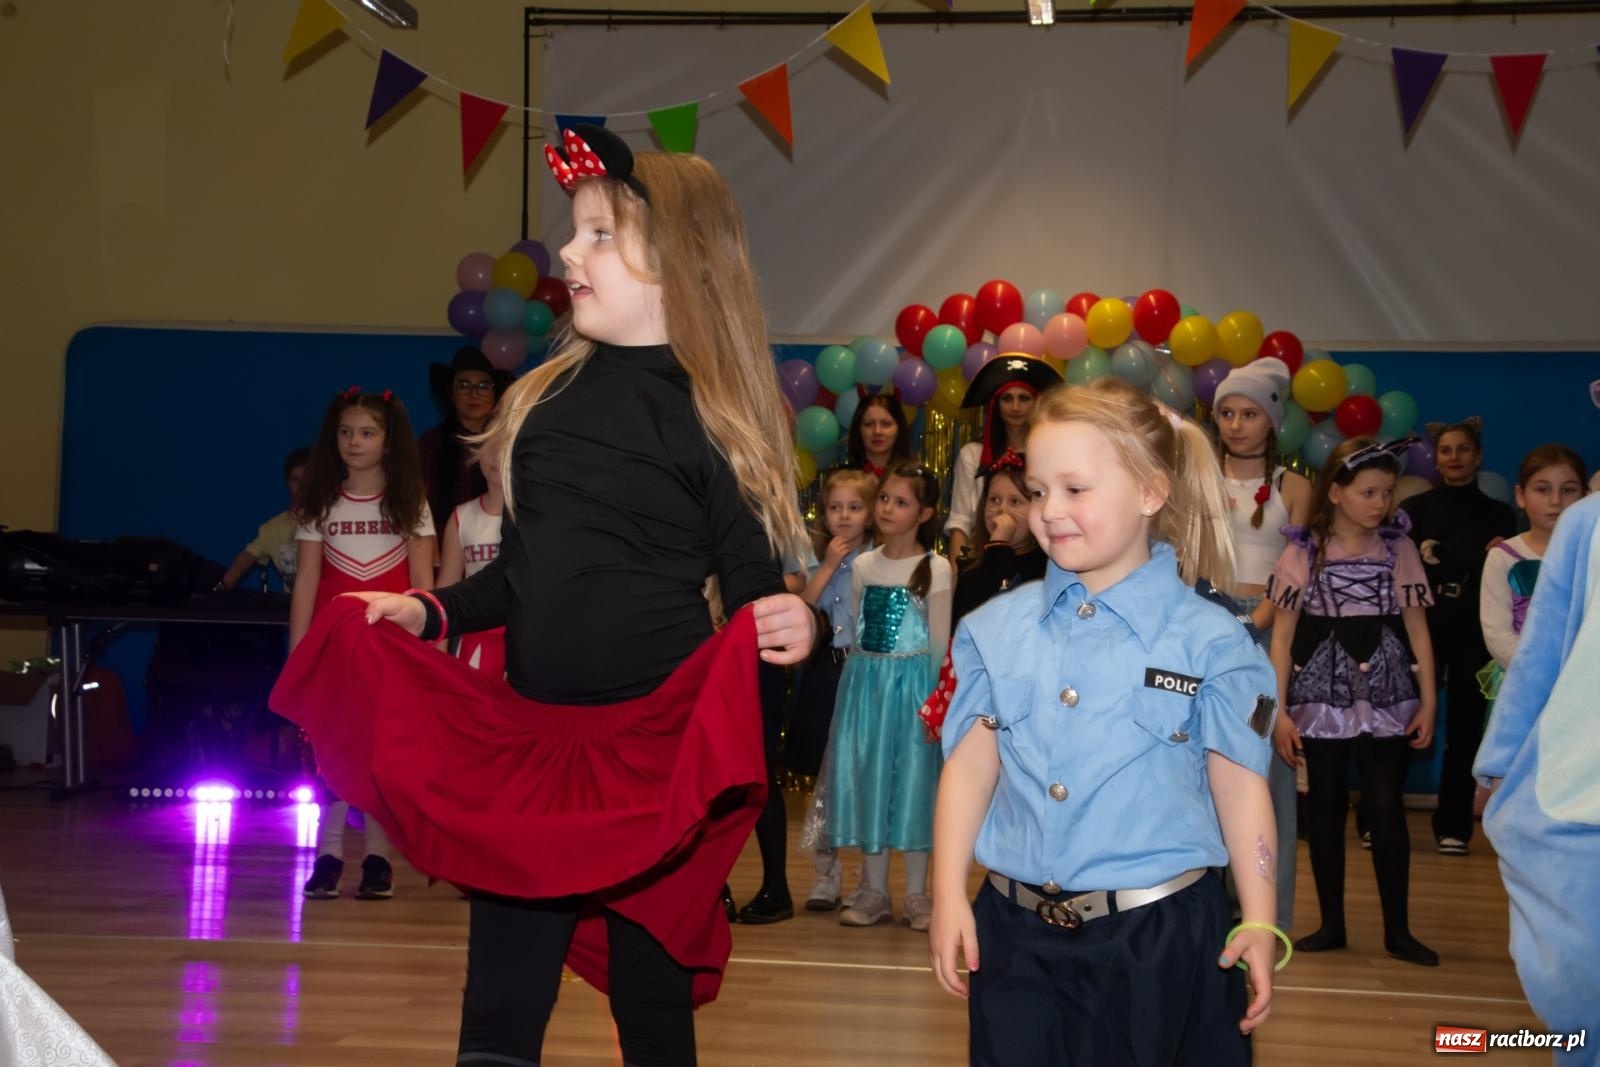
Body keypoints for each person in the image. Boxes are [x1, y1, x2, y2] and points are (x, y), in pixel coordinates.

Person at [270, 125, 818, 1066]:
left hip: (652, 760)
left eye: (599, 234)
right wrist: (427, 611)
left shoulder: (718, 418)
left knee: (651, 1005)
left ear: (679, 258)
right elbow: (523, 578)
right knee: (498, 1006)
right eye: (576, 231)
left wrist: (793, 618)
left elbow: (758, 587)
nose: (569, 252)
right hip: (534, 747)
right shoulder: (543, 405)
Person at [931, 378, 1281, 1065]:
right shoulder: (993, 630)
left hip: (1159, 944)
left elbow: (1241, 787)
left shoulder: (1212, 641)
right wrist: (948, 894)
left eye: (1075, 489)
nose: (1049, 511)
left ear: (1150, 493)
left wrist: (1263, 917)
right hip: (1015, 938)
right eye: (1037, 490)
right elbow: (970, 765)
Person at [1268, 436, 1439, 965]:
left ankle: (1399, 931)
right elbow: (1281, 637)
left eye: (1387, 493)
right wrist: (1278, 713)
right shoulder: (1305, 549)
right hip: (1323, 688)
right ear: (1336, 492)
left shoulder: (1399, 548)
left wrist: (1428, 701)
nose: (1380, 503)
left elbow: (1417, 629)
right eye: (1368, 492)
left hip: (1388, 687)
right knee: (1324, 806)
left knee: (1386, 806)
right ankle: (1332, 923)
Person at [291, 389, 435, 901]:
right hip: (333, 648)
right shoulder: (320, 500)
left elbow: (423, 584)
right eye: (346, 432)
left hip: (390, 649)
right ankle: (327, 856)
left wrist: (430, 655)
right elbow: (306, 582)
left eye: (368, 432)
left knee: (379, 755)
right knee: (330, 753)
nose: (355, 442)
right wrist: (298, 650)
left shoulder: (411, 502)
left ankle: (379, 859)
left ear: (389, 442)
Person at [1475, 491, 1600, 1057]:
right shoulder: (1587, 523)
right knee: (1576, 982)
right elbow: (1542, 649)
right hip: (1579, 792)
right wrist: (1501, 760)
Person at [826, 465, 951, 931]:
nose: (887, 509)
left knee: (916, 785)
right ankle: (875, 890)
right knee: (870, 781)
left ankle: (918, 895)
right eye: (884, 499)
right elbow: (859, 632)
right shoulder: (863, 565)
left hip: (914, 688)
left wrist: (936, 701)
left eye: (901, 502)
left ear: (925, 513)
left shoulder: (934, 568)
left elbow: (939, 642)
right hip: (868, 689)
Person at [1212, 357, 1313, 930]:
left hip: (1267, 629)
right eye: (1226, 412)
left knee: (1261, 759)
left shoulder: (1295, 487)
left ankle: (1261, 911)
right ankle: (1202, 905)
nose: (1236, 424)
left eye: (1249, 413)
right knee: (1203, 760)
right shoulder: (1197, 478)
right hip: (1205, 623)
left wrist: (1259, 620)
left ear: (1272, 420)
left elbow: (1297, 566)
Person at [1401, 418, 1516, 856]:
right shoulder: (1417, 509)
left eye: (1463, 449)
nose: (1454, 458)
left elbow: (1491, 567)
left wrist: (1443, 554)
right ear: (1437, 456)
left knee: (1466, 727)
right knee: (1403, 717)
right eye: (1446, 450)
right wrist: (1467, 558)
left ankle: (1453, 825)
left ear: (1478, 456)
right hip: (1422, 623)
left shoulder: (1500, 513)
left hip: (1474, 624)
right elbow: (1409, 565)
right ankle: (1381, 819)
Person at [1477, 444, 1587, 711]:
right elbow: (1497, 632)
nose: (1556, 501)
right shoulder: (1503, 557)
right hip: (1525, 687)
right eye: (1543, 489)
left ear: (1585, 496)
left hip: (1585, 682)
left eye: (1569, 490)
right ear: (1521, 495)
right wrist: (1543, 674)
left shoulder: (1592, 555)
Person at [944, 355, 1062, 564]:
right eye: (1007, 398)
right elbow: (960, 520)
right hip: (981, 559)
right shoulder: (972, 454)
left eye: (1024, 398)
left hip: (1039, 560)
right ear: (995, 404)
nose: (1015, 407)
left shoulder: (1049, 453)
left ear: (1037, 403)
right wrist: (957, 574)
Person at [417, 346, 512, 550]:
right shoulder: (430, 444)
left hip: (499, 547)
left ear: (495, 394)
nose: (474, 394)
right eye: (464, 385)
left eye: (483, 386)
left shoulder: (508, 444)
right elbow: (421, 508)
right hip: (443, 550)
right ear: (451, 393)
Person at [950, 454, 1046, 629]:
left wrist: (999, 547)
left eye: (1015, 502)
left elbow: (1005, 616)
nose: (1002, 509)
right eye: (994, 500)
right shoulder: (971, 567)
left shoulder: (1046, 568)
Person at [435, 446, 506, 675]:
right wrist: (438, 658)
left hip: (523, 640)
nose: (495, 457)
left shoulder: (536, 518)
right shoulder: (462, 517)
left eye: (505, 448)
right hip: (474, 639)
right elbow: (446, 588)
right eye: (490, 447)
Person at [216, 447, 310, 591]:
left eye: (307, 479)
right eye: (295, 480)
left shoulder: (335, 520)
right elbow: (245, 558)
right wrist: (222, 587)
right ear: (287, 483)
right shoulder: (272, 529)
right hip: (293, 610)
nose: (301, 487)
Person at [843, 392, 913, 477]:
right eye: (868, 424)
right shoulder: (843, 478)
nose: (877, 431)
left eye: (886, 424)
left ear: (899, 428)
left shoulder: (914, 478)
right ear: (858, 429)